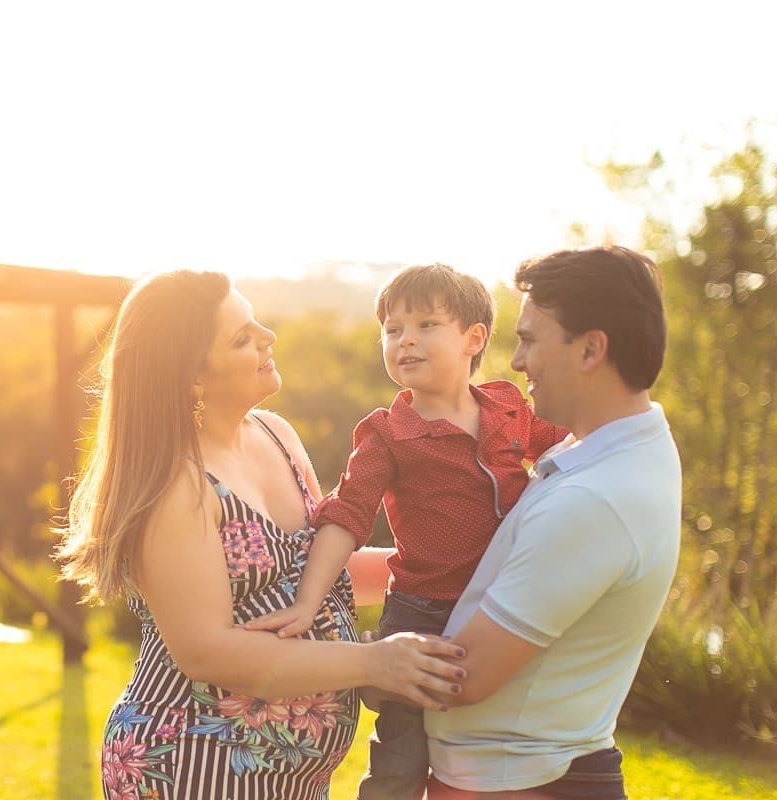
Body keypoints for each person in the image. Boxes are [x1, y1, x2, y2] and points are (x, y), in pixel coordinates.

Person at [55, 269, 466, 800]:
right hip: (192, 762)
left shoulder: (275, 433)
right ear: (193, 377)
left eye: (257, 325)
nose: (267, 338)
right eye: (241, 338)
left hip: (289, 777)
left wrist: (456, 568)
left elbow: (316, 571)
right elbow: (207, 652)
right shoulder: (176, 484)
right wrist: (375, 661)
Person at [245, 263, 567, 800]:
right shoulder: (388, 434)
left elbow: (566, 446)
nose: (405, 341)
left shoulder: (510, 408)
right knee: (401, 763)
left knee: (510, 748)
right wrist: (307, 602)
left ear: (474, 338)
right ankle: (385, 677)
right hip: (424, 613)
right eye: (393, 330)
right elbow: (345, 516)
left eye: (425, 326)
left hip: (507, 603)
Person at [424, 246, 682, 799]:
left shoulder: (596, 498)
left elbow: (463, 677)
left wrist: (353, 658)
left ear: (591, 349)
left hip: (517, 785)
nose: (516, 362)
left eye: (530, 339)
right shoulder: (620, 447)